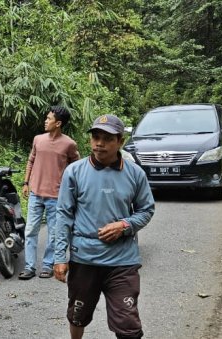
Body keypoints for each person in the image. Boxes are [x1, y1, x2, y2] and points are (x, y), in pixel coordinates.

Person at [52, 114, 156, 339]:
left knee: (128, 325)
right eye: (95, 137)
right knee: (78, 314)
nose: (99, 143)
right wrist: (59, 256)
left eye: (107, 139)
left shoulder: (135, 173)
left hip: (123, 261)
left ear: (120, 142)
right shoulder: (75, 172)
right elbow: (63, 215)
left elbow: (146, 210)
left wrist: (125, 225)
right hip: (84, 259)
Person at [19, 106, 80, 280]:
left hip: (56, 196)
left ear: (58, 123)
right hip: (35, 194)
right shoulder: (38, 139)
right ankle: (29, 266)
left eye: (49, 119)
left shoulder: (69, 144)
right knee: (30, 230)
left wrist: (70, 188)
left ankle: (47, 265)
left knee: (54, 233)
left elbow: (76, 167)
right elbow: (31, 160)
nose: (45, 121)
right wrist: (26, 183)